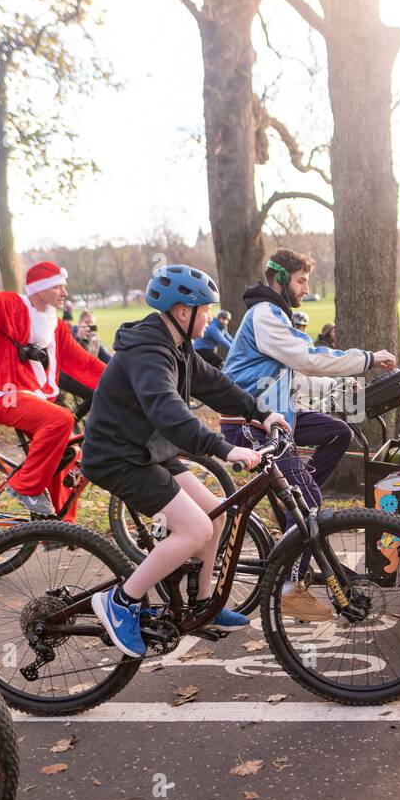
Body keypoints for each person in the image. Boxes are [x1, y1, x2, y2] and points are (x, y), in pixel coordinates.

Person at [81, 264, 289, 656]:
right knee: (194, 530)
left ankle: (202, 604)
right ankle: (121, 601)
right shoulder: (149, 352)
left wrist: (260, 414)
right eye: (205, 309)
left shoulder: (177, 347)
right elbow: (166, 409)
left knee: (216, 513)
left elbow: (216, 385)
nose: (210, 317)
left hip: (147, 451)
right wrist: (223, 448)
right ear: (182, 312)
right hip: (119, 456)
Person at [223, 249, 395, 620]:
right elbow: (309, 358)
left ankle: (296, 507)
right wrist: (366, 359)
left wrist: (339, 390)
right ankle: (291, 587)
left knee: (337, 433)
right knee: (308, 499)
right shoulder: (265, 315)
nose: (305, 288)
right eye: (301, 281)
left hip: (276, 415)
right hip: (249, 422)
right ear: (280, 279)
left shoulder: (275, 316)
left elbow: (295, 377)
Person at [0, 220, 106, 516]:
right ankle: (23, 486)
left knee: (66, 454)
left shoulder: (55, 325)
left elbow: (82, 362)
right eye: (58, 286)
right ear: (40, 290)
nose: (64, 292)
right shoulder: (12, 307)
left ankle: (56, 526)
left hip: (33, 397)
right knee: (61, 421)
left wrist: (126, 379)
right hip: (2, 393)